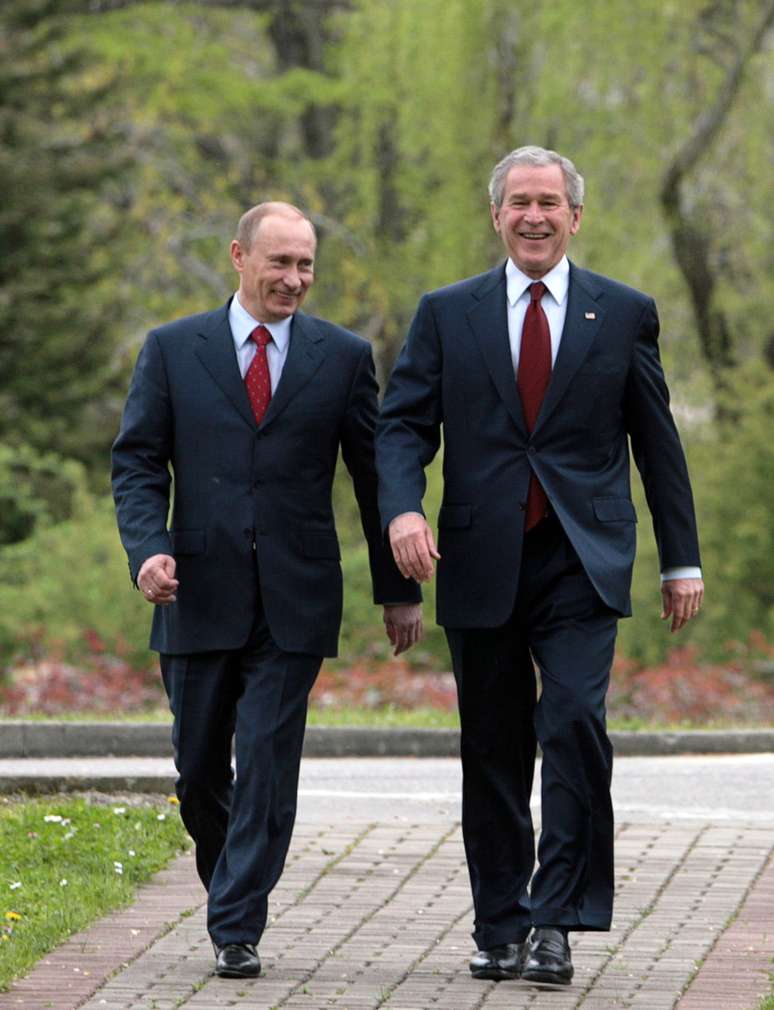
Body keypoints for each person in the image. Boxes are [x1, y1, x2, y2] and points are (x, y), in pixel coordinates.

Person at [375, 147, 703, 986]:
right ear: (497, 215)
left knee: (573, 726)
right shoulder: (448, 313)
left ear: (574, 217)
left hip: (580, 558)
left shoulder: (622, 313)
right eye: (519, 201)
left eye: (549, 203)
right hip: (480, 555)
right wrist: (404, 508)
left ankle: (557, 919)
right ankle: (500, 925)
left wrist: (681, 560)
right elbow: (403, 426)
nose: (534, 216)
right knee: (493, 745)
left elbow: (657, 445)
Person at [112, 201, 421, 980]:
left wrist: (397, 591)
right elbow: (139, 461)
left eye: (305, 265)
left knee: (269, 755)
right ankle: (233, 888)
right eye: (279, 263)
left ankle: (237, 922)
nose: (294, 279)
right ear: (239, 257)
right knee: (198, 771)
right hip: (194, 590)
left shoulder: (344, 357)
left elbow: (373, 475)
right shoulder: (172, 350)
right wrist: (147, 550)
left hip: (297, 594)